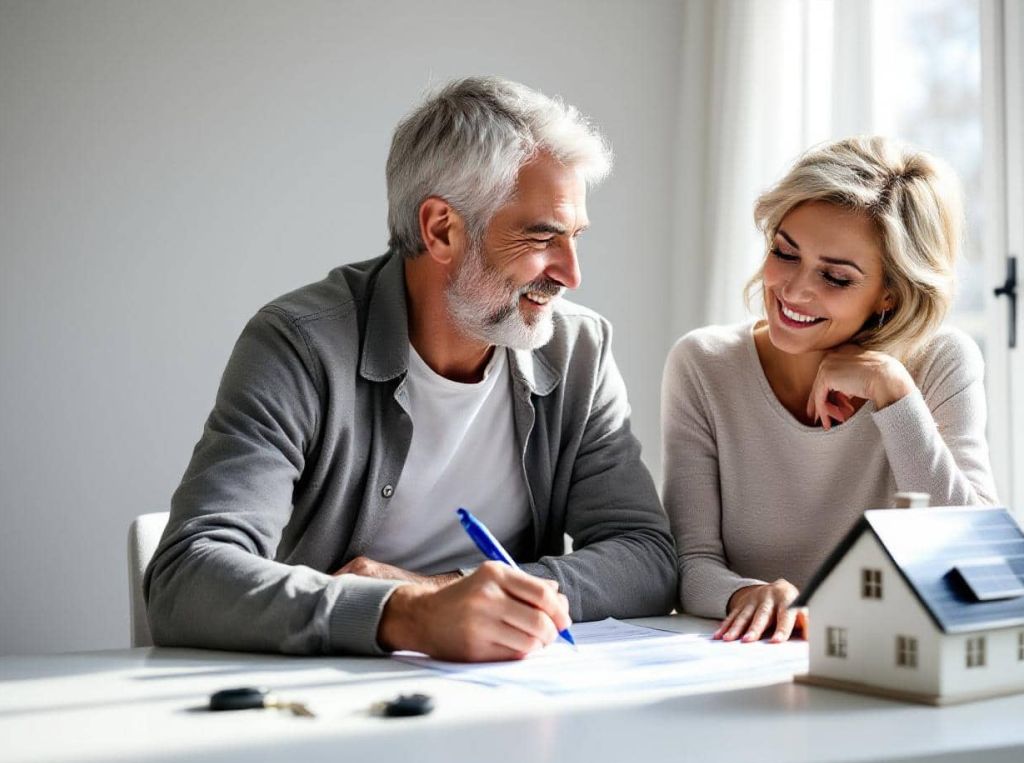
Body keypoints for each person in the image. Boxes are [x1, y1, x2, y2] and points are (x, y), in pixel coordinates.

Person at [146, 77, 677, 662]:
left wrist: (443, 589)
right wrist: (406, 614)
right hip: (333, 692)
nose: (571, 274)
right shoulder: (300, 345)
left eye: (575, 237)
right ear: (441, 229)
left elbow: (646, 557)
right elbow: (186, 577)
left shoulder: (578, 349)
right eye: (542, 237)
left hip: (507, 686)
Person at [661, 136, 997, 644]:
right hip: (752, 658)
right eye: (784, 252)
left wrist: (894, 393)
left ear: (889, 293)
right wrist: (746, 594)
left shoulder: (940, 362)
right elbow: (690, 564)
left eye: (836, 278)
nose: (794, 290)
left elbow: (973, 557)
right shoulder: (705, 364)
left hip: (888, 660)